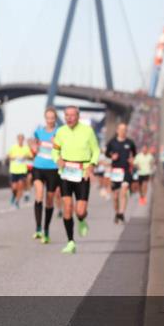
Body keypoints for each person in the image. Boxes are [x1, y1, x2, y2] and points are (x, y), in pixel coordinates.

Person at [52, 106, 101, 254]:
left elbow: (96, 150)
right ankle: (70, 242)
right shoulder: (60, 131)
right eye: (66, 115)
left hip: (82, 173)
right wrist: (57, 159)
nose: (69, 118)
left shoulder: (88, 131)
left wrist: (92, 165)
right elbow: (55, 150)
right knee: (67, 207)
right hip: (66, 173)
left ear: (78, 116)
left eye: (72, 115)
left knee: (79, 211)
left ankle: (81, 219)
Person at [29, 106, 61, 243]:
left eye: (52, 118)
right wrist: (33, 146)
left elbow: (65, 146)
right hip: (38, 166)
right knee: (39, 193)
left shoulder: (59, 131)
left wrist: (57, 145)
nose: (50, 120)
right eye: (48, 118)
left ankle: (46, 229)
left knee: (49, 200)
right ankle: (38, 228)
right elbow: (31, 140)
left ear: (55, 118)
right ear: (45, 118)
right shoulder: (39, 131)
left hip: (53, 168)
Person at [105, 123, 137, 224]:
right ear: (117, 130)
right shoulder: (112, 142)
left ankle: (122, 213)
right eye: (121, 129)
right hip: (115, 171)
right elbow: (107, 153)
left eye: (125, 130)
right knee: (115, 196)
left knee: (123, 191)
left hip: (126, 170)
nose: (123, 131)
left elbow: (134, 153)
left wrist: (132, 159)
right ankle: (117, 213)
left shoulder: (130, 142)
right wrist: (111, 156)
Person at [6, 134, 33, 208]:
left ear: (23, 140)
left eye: (22, 139)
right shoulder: (13, 147)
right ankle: (14, 195)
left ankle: (17, 201)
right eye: (19, 139)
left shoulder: (26, 148)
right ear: (17, 139)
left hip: (22, 170)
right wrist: (12, 157)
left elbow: (31, 157)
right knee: (14, 187)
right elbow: (8, 156)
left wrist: (26, 156)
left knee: (20, 186)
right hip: (13, 170)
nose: (20, 140)